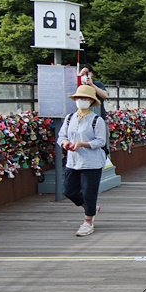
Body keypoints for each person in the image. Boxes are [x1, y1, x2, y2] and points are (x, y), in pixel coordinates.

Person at [57, 84, 108, 236]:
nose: (81, 100)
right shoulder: (69, 118)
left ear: (91, 101)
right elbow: (62, 136)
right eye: (79, 98)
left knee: (88, 192)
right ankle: (90, 207)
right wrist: (65, 143)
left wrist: (82, 144)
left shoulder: (96, 120)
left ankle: (88, 221)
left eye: (85, 98)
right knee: (69, 190)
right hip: (73, 161)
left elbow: (101, 141)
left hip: (91, 162)